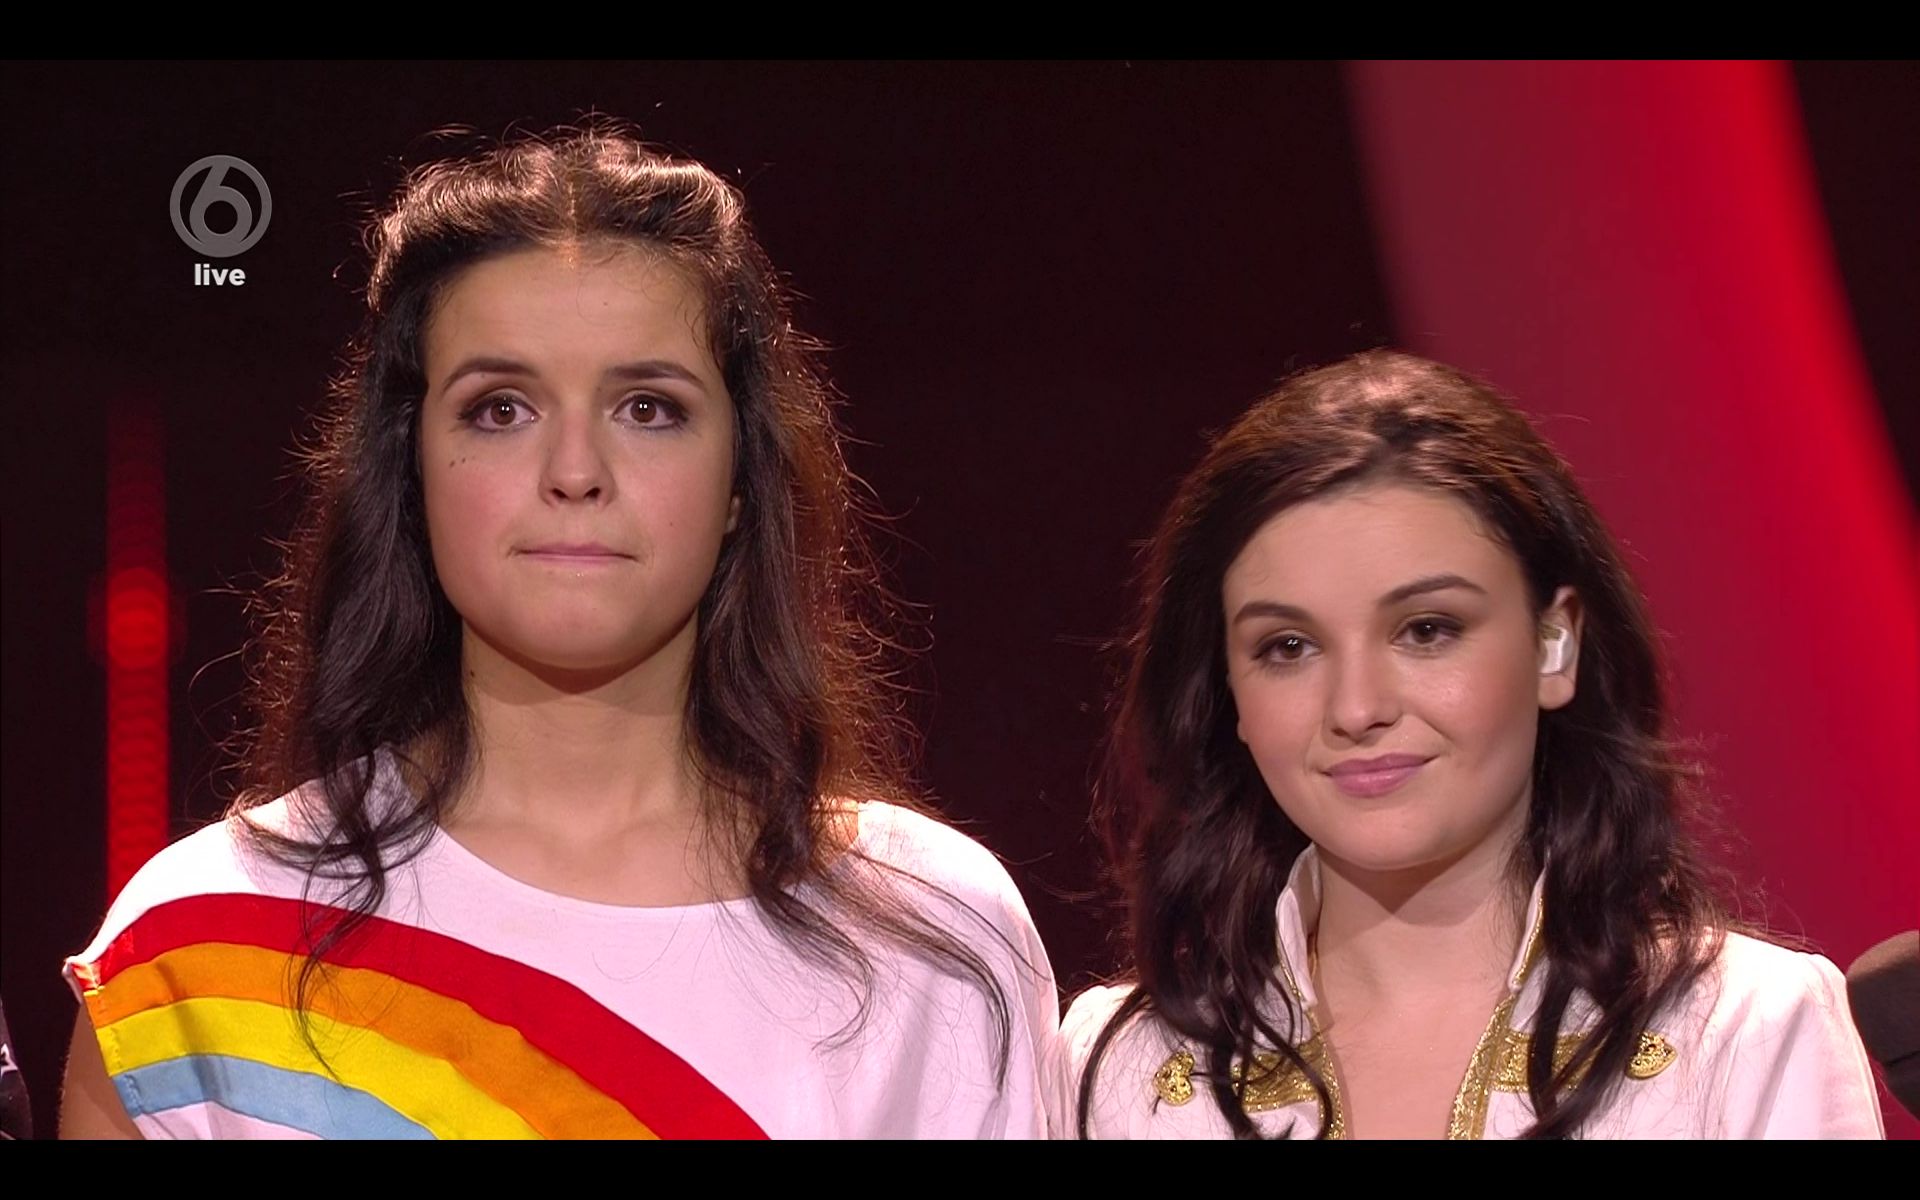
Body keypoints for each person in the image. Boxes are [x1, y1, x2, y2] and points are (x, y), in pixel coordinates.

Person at [60, 126, 1056, 1140]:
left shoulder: (932, 937)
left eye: (648, 408)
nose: (575, 471)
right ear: (410, 469)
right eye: (500, 409)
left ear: (741, 482)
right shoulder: (204, 946)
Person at [1059, 350, 1884, 1139]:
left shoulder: (1742, 1031)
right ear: (1228, 693)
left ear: (1554, 644)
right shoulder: (1119, 1068)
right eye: (1289, 647)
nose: (1357, 709)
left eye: (1426, 630)